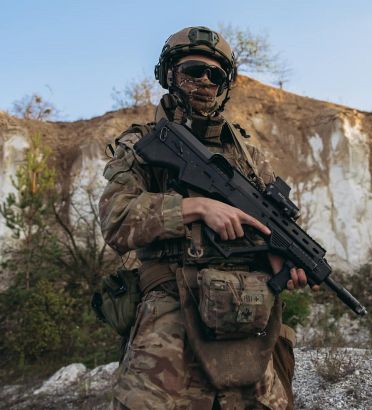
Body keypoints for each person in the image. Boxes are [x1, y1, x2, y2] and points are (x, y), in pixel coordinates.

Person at [99, 26, 307, 410]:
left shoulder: (246, 153)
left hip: (247, 316)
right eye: (194, 70)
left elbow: (272, 221)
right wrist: (194, 208)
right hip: (171, 315)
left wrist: (278, 252)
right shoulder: (142, 143)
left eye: (216, 75)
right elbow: (115, 219)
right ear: (169, 74)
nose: (205, 82)